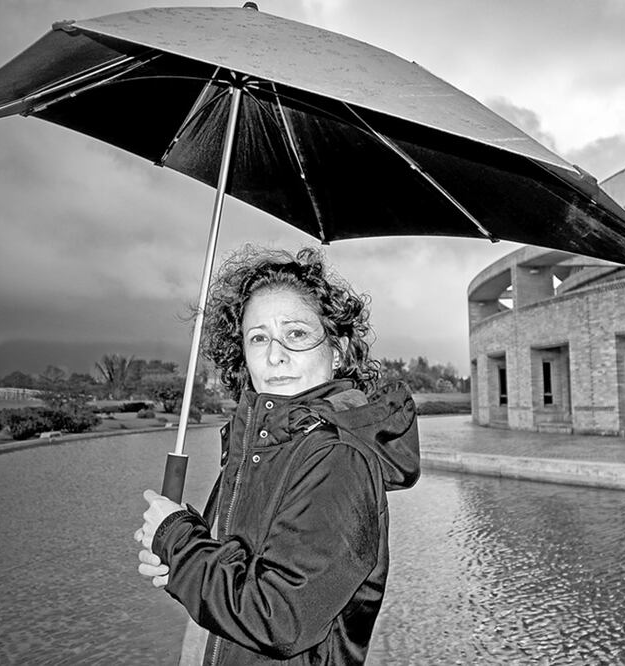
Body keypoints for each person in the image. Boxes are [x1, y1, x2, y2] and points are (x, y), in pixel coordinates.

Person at [134, 246, 421, 665]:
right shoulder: (258, 444)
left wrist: (179, 541)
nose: (274, 355)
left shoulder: (337, 459)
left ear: (337, 350)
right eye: (259, 337)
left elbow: (277, 618)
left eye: (296, 333)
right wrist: (183, 551)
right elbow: (234, 581)